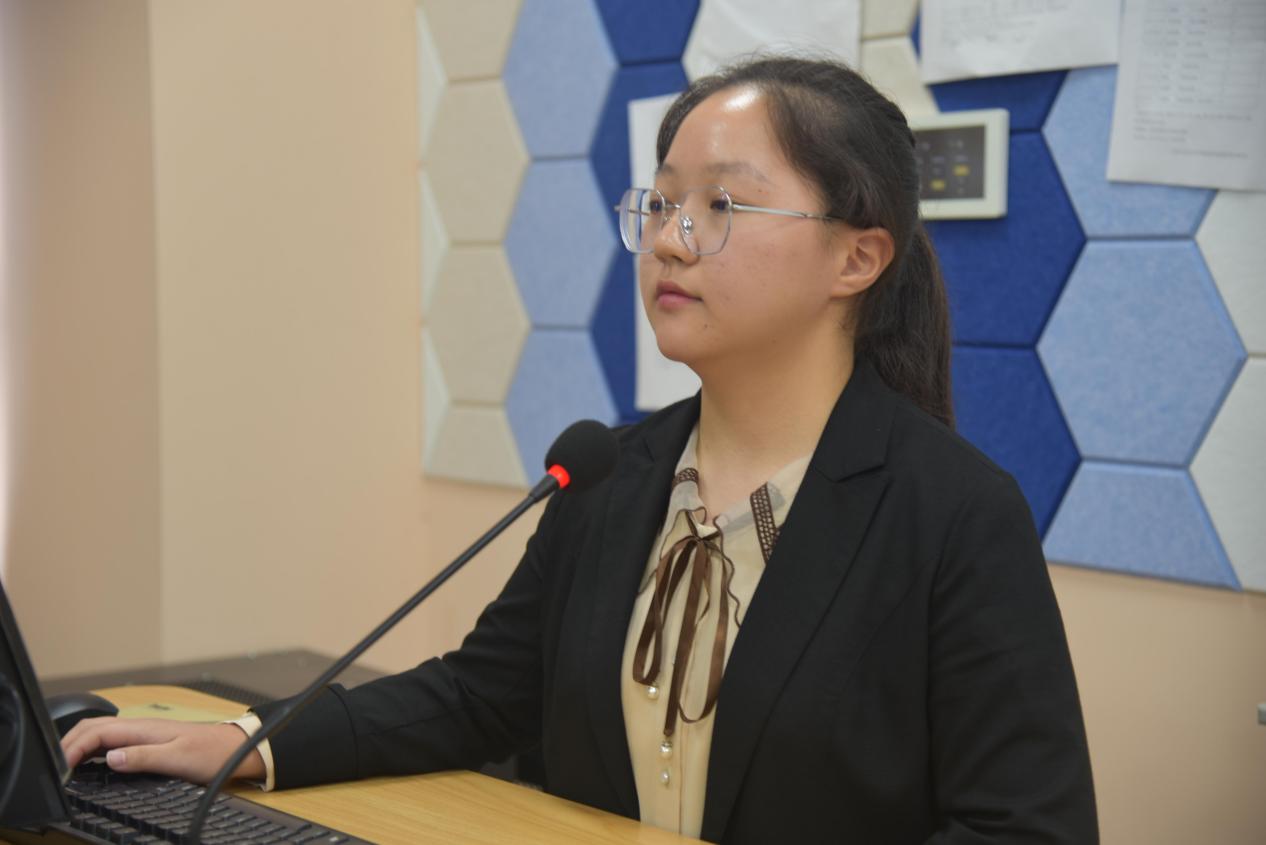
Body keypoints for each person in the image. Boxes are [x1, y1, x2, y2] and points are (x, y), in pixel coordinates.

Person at [62, 56, 1098, 843]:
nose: (670, 238)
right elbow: (480, 694)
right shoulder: (610, 472)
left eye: (721, 205)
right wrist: (257, 741)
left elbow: (1024, 827)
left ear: (857, 257)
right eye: (663, 201)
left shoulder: (953, 513)